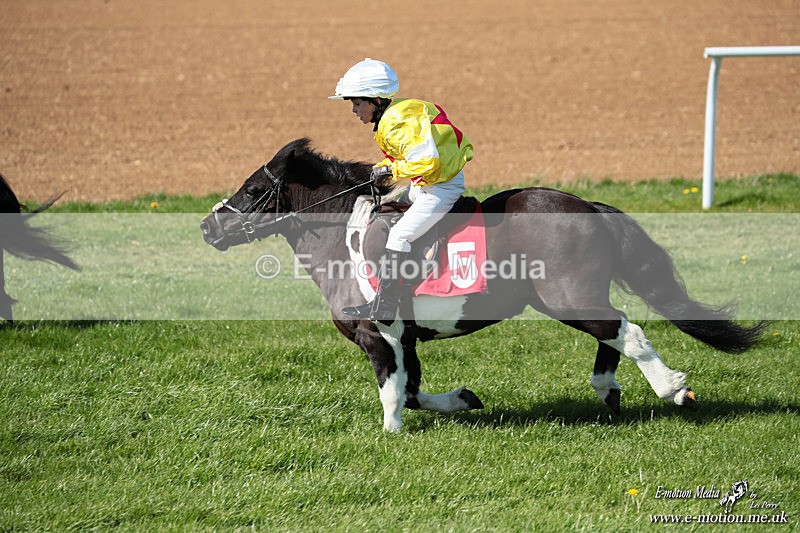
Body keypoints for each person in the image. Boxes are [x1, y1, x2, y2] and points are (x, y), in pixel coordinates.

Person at [329, 58, 474, 325]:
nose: (353, 110)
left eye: (357, 103)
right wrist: (384, 167)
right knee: (385, 210)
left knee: (398, 235)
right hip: (425, 185)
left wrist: (391, 172)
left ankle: (385, 307)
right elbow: (407, 157)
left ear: (376, 100)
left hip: (440, 188)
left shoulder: (397, 121)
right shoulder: (396, 112)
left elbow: (428, 161)